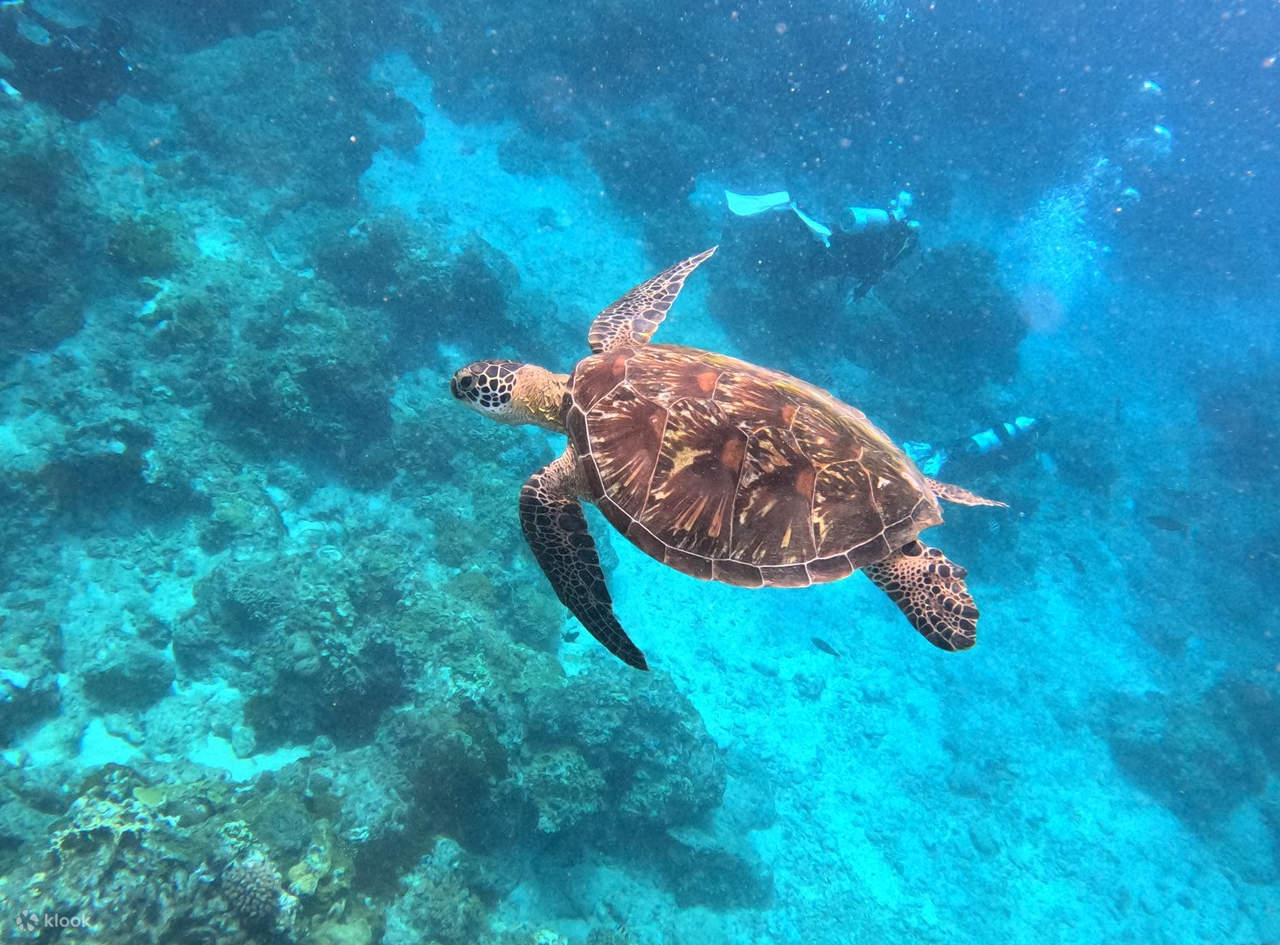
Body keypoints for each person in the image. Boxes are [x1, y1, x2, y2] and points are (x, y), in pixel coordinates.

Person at [723, 188, 919, 300]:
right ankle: (791, 204)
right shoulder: (887, 249)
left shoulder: (883, 235)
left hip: (840, 239)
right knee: (812, 252)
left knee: (815, 232)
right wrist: (860, 292)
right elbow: (874, 271)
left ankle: (794, 206)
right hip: (838, 251)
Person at [0, 1, 133, 119]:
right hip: (44, 65)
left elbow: (83, 88)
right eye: (105, 26)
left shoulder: (114, 65)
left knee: (19, 74)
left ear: (120, 40)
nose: (104, 33)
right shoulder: (87, 35)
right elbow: (59, 30)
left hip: (56, 88)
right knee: (10, 40)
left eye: (112, 32)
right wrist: (28, 12)